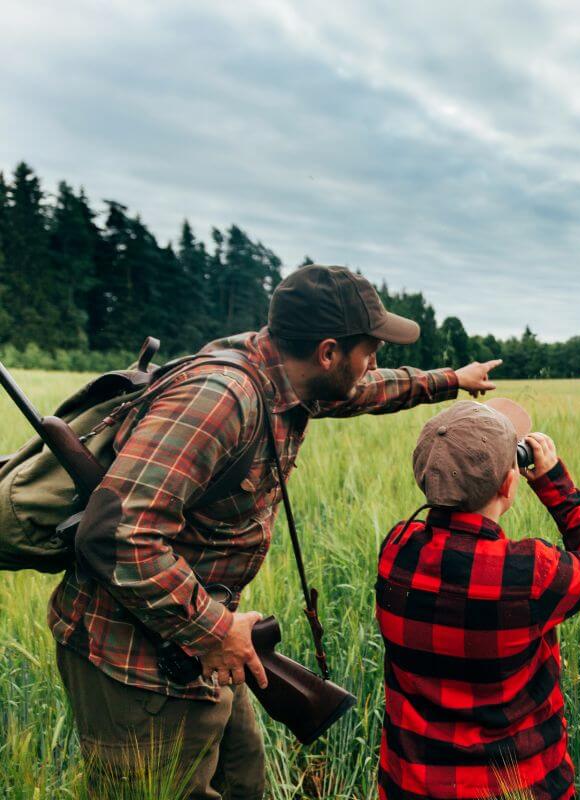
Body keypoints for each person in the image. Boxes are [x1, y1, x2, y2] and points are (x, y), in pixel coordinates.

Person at [50, 264, 502, 799]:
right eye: (368, 348)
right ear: (328, 351)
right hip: (134, 662)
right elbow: (116, 532)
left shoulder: (290, 373)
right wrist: (217, 630)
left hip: (196, 643)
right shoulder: (221, 399)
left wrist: (452, 379)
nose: (374, 360)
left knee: (245, 784)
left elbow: (367, 389)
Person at [376, 400, 580, 799]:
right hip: (523, 786)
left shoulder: (396, 548)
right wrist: (553, 482)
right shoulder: (531, 573)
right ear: (509, 485)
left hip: (412, 787)